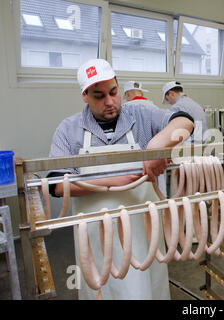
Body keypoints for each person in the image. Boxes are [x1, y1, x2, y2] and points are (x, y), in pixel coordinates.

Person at [47, 58, 194, 300]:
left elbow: (184, 121)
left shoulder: (141, 114)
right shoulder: (69, 129)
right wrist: (114, 182)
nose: (109, 102)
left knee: (145, 288)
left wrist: (159, 144)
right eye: (98, 96)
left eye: (113, 92)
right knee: (102, 289)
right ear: (85, 95)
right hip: (96, 236)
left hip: (143, 233)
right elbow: (55, 185)